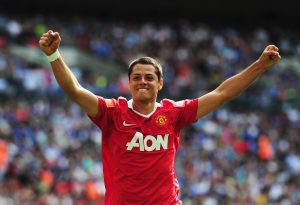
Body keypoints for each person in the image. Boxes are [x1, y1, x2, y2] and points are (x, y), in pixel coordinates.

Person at [39, 30, 281, 205]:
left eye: (148, 77)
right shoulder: (112, 112)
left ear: (160, 83)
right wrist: (54, 56)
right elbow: (75, 91)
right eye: (136, 77)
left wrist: (260, 65)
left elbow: (221, 93)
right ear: (129, 83)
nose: (142, 81)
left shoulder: (174, 113)